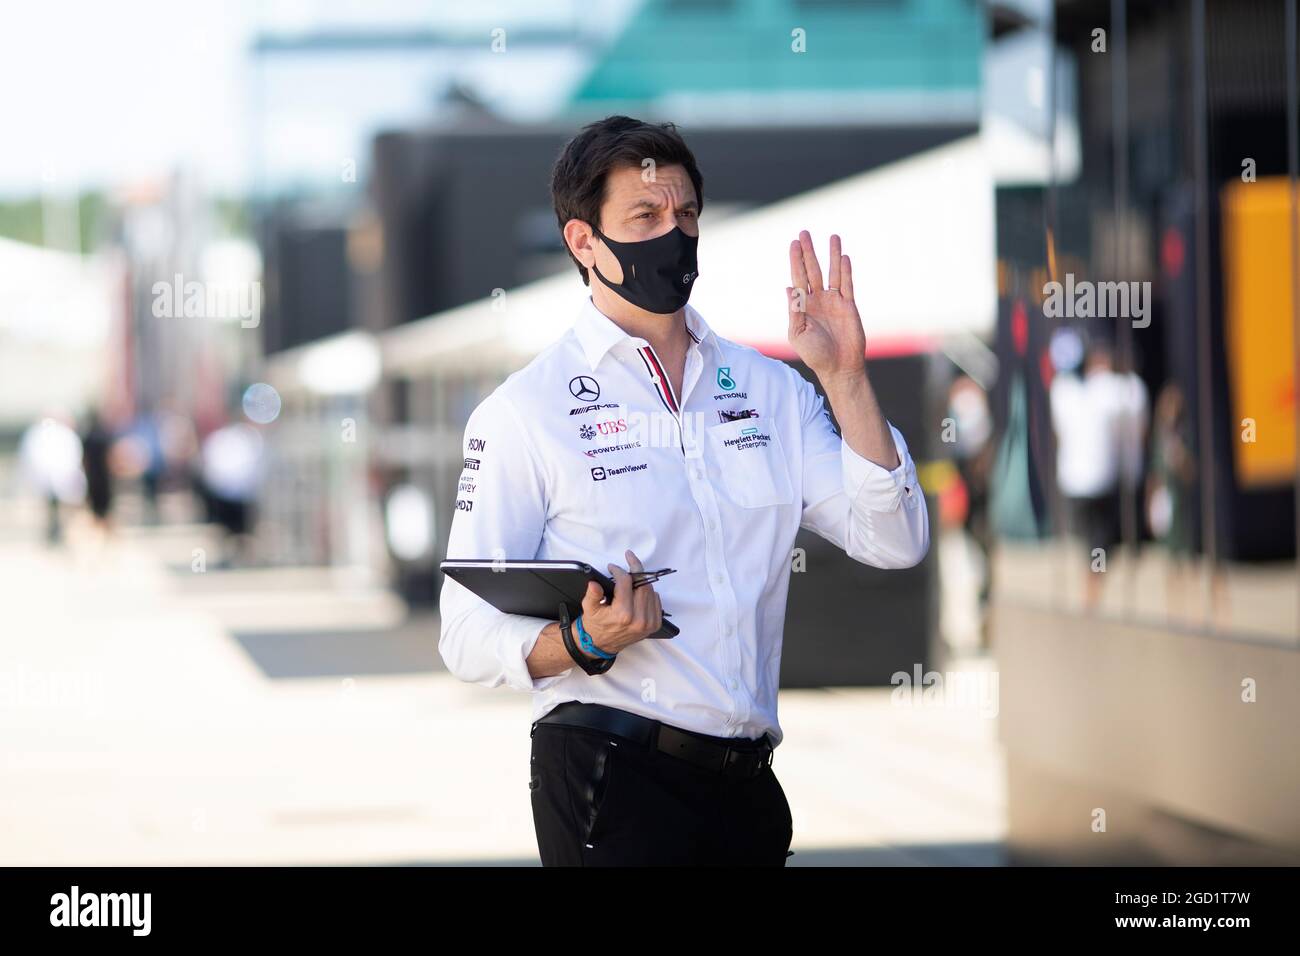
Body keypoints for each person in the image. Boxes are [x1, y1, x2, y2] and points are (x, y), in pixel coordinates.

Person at [437, 116, 929, 866]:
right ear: (583, 242)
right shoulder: (523, 411)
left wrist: (847, 379)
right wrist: (580, 642)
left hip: (747, 787)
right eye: (646, 215)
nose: (675, 233)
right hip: (611, 773)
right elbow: (465, 634)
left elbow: (893, 540)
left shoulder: (772, 388)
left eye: (687, 214)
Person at [1049, 336, 1149, 611]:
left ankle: (1091, 592)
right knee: (1099, 543)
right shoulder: (1112, 391)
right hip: (1097, 482)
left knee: (1093, 544)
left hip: (1077, 481)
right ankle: (1091, 594)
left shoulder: (1064, 390)